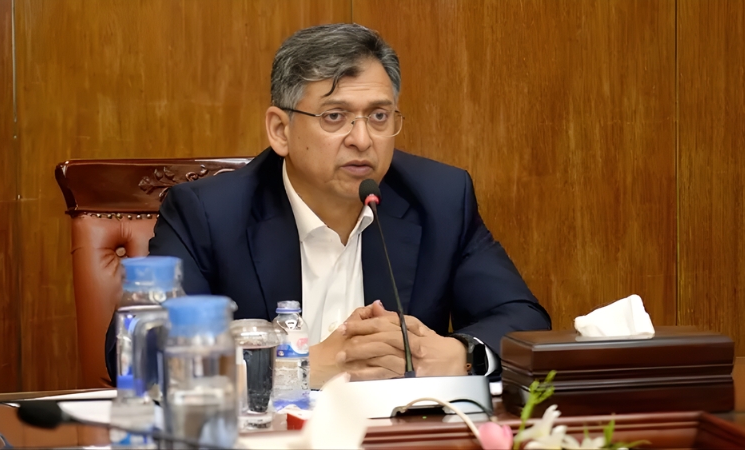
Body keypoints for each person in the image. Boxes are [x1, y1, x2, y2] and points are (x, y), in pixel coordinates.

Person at [105, 23, 550, 387]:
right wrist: (303, 365)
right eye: (335, 116)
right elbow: (141, 351)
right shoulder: (208, 213)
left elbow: (523, 320)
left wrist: (456, 354)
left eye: (379, 116)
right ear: (280, 130)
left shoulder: (440, 198)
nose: (362, 139)